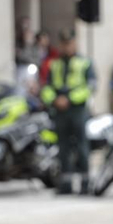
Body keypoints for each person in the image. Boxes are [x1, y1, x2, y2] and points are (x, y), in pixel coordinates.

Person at [39, 29, 93, 195]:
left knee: (82, 147)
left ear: (75, 43)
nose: (66, 46)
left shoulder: (84, 62)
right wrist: (54, 100)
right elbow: (46, 87)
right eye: (63, 43)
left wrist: (69, 99)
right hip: (60, 111)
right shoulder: (54, 64)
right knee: (63, 147)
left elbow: (90, 86)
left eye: (69, 43)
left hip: (77, 110)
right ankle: (66, 184)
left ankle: (84, 184)